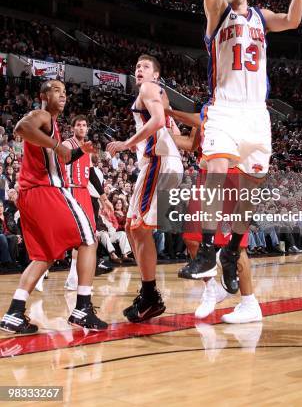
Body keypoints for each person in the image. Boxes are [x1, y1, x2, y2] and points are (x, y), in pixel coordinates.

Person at [181, 0, 302, 292]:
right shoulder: (217, 13)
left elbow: (293, 20)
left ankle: (232, 249)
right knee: (215, 170)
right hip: (225, 108)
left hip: (257, 115)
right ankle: (211, 251)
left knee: (249, 194)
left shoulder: (261, 18)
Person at [0, 80, 108, 334]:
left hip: (31, 195)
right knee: (89, 239)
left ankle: (14, 313)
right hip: (45, 191)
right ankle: (82, 308)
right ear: (43, 95)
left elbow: (65, 157)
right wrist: (57, 145)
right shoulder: (42, 115)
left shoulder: (53, 126)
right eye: (55, 90)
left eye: (64, 91)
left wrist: (80, 151)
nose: (62, 94)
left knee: (44, 256)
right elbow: (21, 127)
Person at [167, 107, 262, 323]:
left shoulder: (237, 111)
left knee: (236, 248)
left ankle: (249, 303)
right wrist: (164, 135)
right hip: (205, 177)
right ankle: (212, 289)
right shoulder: (205, 109)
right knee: (191, 238)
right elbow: (192, 145)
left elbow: (247, 151)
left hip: (232, 178)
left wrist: (167, 112)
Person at [107, 55, 183, 323]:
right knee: (132, 228)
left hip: (158, 162)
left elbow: (160, 121)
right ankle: (148, 293)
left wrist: (127, 143)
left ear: (156, 75)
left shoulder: (148, 89)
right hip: (163, 162)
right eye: (137, 66)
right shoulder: (161, 96)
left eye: (145, 67)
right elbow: (179, 140)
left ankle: (150, 296)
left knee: (138, 228)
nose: (139, 70)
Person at [63, 117, 113, 291]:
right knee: (80, 237)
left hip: (84, 191)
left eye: (84, 125)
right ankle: (70, 276)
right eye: (78, 125)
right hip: (71, 190)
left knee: (90, 236)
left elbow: (92, 174)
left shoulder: (88, 148)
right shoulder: (68, 144)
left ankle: (73, 277)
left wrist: (104, 199)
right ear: (72, 128)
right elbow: (65, 160)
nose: (82, 128)